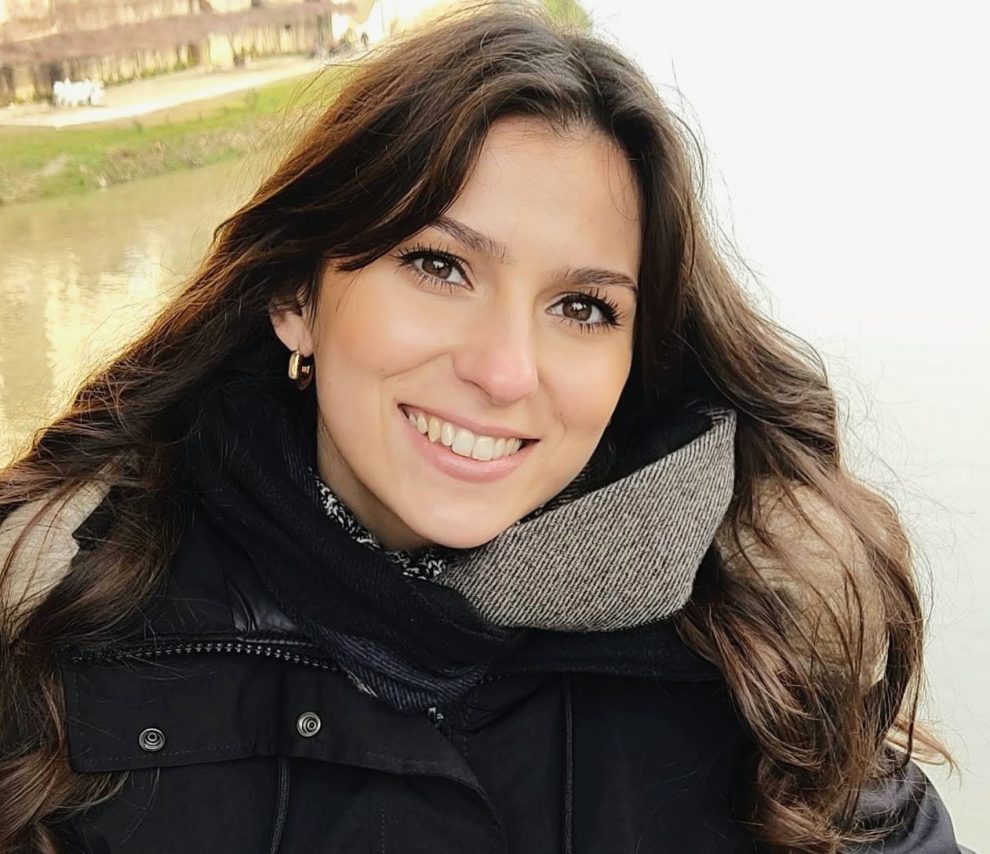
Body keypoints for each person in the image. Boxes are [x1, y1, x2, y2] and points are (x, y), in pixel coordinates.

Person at [0, 6, 972, 853]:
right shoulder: (56, 619)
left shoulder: (764, 642)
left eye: (583, 308)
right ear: (297, 296)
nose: (505, 371)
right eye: (440, 266)